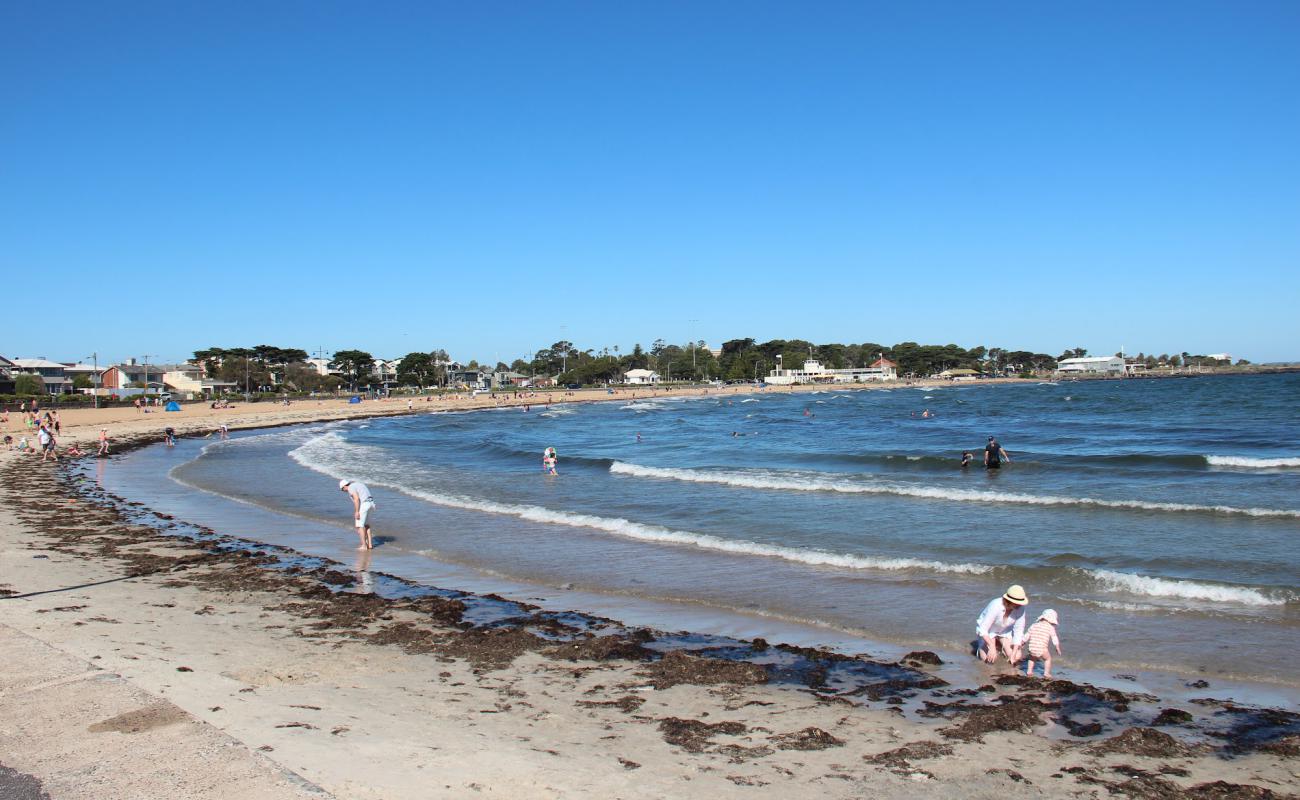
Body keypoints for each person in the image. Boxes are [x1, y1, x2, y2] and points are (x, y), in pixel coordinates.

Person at [975, 584, 1028, 665]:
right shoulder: (996, 605)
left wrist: (1013, 654)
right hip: (988, 632)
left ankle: (999, 645)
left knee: (1017, 657)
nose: (1020, 605)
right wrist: (991, 646)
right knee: (989, 660)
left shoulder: (1021, 608)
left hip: (1004, 632)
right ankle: (984, 647)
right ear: (1009, 601)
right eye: (1017, 603)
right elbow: (983, 629)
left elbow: (1019, 630)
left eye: (1021, 603)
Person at [1023, 609, 1062, 678]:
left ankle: (1029, 671)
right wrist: (1057, 647)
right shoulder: (1050, 628)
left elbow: (1027, 635)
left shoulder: (1034, 625)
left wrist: (1022, 642)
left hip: (1032, 647)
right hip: (1042, 649)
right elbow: (1054, 638)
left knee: (1032, 659)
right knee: (1047, 659)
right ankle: (1046, 673)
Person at [339, 478, 375, 549]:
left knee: (359, 526)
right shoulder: (358, 484)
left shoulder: (350, 488)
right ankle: (370, 545)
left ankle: (364, 545)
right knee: (366, 525)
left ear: (344, 486)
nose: (344, 491)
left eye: (342, 490)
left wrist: (357, 511)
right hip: (371, 503)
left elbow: (356, 499)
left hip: (364, 504)